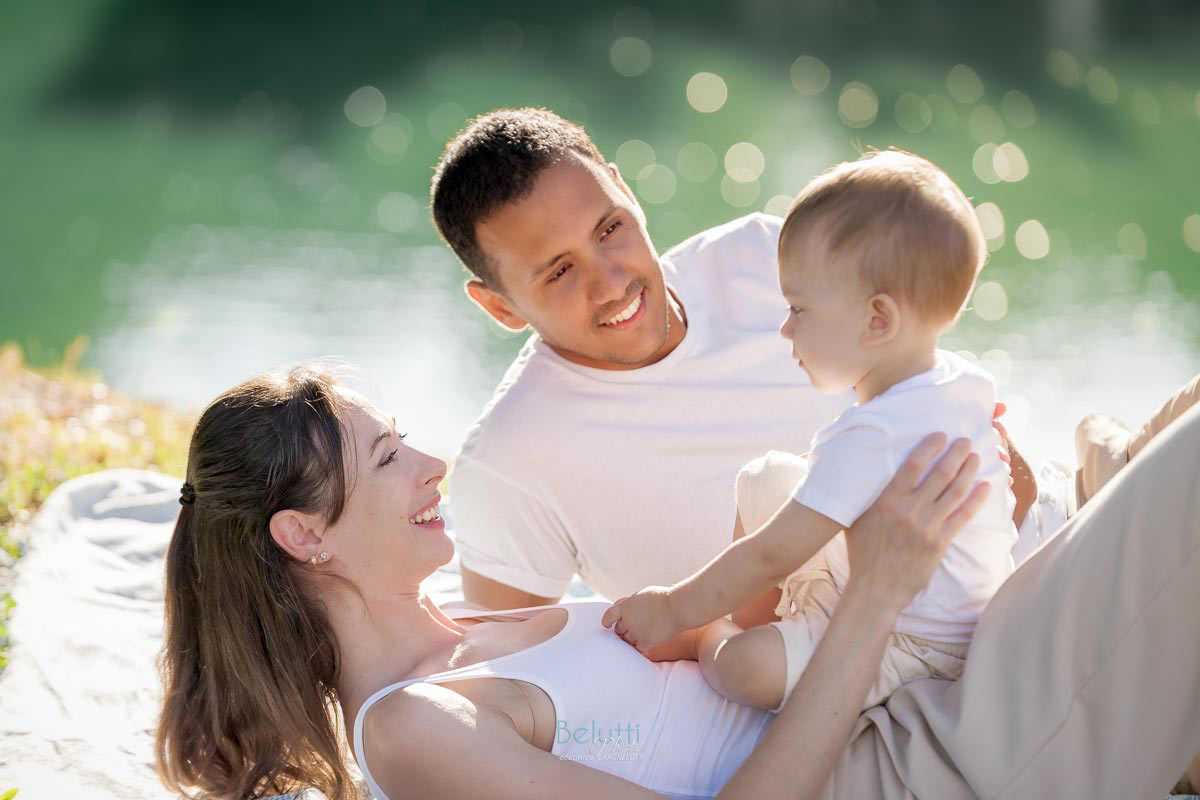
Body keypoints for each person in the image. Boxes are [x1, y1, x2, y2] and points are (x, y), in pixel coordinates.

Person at [153, 361, 1200, 800]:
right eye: (388, 459)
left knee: (1172, 428)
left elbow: (708, 689)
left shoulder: (471, 628)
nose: (432, 466)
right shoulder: (409, 726)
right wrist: (874, 598)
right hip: (918, 773)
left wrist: (784, 563)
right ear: (306, 535)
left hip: (903, 701)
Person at [430, 108, 1048, 620]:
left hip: (1011, 569)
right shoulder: (509, 464)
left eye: (610, 227)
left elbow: (961, 422)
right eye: (560, 271)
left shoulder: (769, 258)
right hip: (841, 683)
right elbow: (517, 665)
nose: (612, 281)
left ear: (625, 189)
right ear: (499, 307)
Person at [603, 150, 1019, 714]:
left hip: (914, 645)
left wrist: (673, 610)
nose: (784, 327)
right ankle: (773, 620)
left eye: (799, 309)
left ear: (878, 320)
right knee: (769, 477)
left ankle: (713, 637)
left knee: (749, 670)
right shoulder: (963, 379)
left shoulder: (872, 434)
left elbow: (771, 555)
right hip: (916, 595)